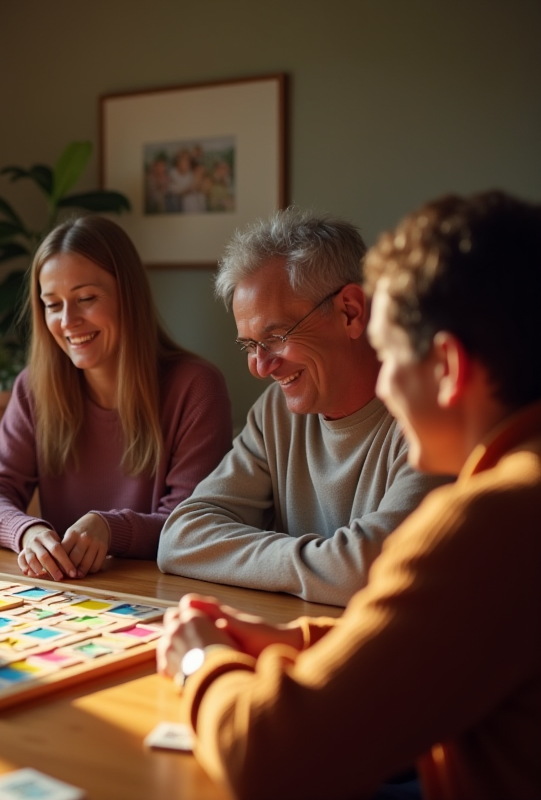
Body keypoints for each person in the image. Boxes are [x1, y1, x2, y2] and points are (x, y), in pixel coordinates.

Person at [157, 190, 541, 800]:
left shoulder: (491, 518)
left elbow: (270, 758)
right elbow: (440, 641)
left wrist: (201, 662)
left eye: (389, 357)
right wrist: (299, 640)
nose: (385, 384)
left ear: (448, 366)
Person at [157, 207, 446, 605]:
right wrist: (326, 565)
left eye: (275, 336)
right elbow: (180, 537)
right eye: (249, 345)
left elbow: (372, 571)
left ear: (351, 311)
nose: (260, 367)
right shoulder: (275, 412)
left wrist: (332, 567)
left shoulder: (431, 417)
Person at [0, 215, 233, 580]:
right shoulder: (34, 388)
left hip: (161, 595)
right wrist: (27, 532)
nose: (68, 320)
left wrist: (109, 529)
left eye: (86, 298)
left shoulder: (196, 387)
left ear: (128, 296)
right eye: (53, 304)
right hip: (66, 596)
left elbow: (188, 524)